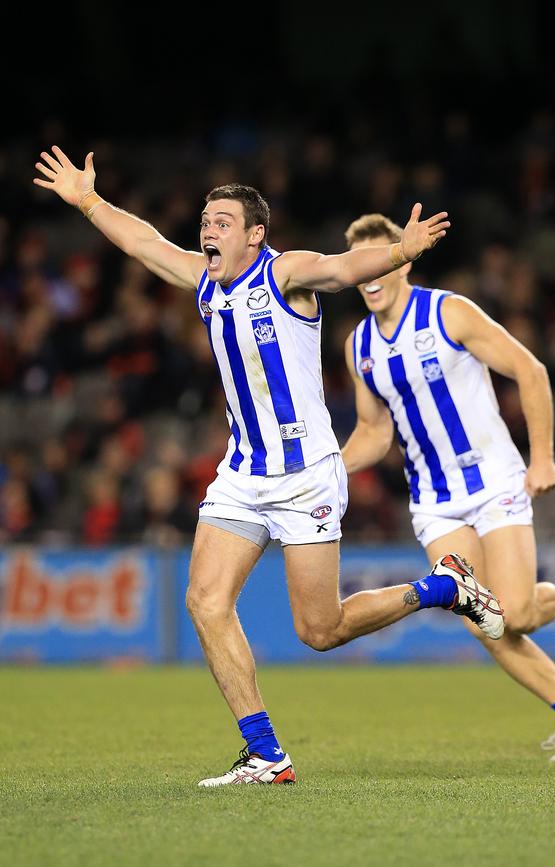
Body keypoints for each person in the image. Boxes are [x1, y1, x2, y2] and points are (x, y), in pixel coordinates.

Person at [34, 147, 506, 786]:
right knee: (204, 600)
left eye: (223, 222)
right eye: (205, 220)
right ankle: (264, 752)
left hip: (306, 472)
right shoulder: (205, 283)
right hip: (243, 472)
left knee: (321, 629)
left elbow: (342, 269)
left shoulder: (284, 273)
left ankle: (444, 588)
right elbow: (144, 243)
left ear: (256, 235)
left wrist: (401, 251)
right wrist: (89, 201)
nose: (208, 230)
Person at [341, 212, 555, 762]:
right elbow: (373, 432)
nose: (368, 274)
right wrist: (325, 470)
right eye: (358, 265)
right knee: (482, 620)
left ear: (402, 260)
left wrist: (543, 459)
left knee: (512, 612)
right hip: (435, 502)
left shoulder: (447, 312)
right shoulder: (358, 346)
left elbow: (530, 369)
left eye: (377, 260)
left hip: (493, 481)